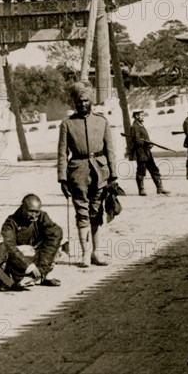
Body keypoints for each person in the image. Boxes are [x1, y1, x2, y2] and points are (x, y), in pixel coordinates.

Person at [58, 81, 117, 267]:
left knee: (96, 212)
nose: (82, 104)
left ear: (90, 101)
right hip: (77, 172)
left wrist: (113, 174)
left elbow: (110, 150)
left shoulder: (102, 121)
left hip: (101, 171)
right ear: (74, 103)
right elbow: (61, 153)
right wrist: (62, 178)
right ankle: (85, 253)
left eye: (85, 101)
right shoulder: (67, 124)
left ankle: (97, 253)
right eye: (79, 101)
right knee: (81, 212)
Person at [1, 194, 64, 287]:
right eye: (31, 211)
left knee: (56, 242)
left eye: (36, 212)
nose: (34, 215)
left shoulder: (42, 217)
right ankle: (20, 278)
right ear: (23, 208)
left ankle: (44, 275)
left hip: (38, 256)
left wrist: (42, 268)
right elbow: (9, 246)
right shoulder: (10, 223)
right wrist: (29, 266)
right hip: (21, 259)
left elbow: (55, 233)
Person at [130, 110, 171, 196]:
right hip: (141, 152)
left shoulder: (140, 125)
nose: (143, 117)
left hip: (147, 152)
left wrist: (149, 143)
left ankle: (160, 188)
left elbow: (142, 139)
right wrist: (146, 143)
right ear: (136, 116)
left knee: (154, 170)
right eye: (141, 115)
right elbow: (136, 141)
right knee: (141, 171)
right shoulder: (135, 127)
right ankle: (141, 190)